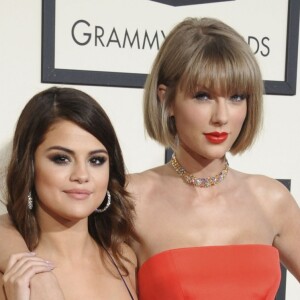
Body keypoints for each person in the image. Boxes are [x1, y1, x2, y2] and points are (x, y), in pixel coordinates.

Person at [0, 17, 300, 299]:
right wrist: (34, 273)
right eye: (203, 96)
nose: (222, 116)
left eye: (237, 97)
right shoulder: (129, 197)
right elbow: (18, 225)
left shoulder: (271, 199)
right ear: (165, 99)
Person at [0, 87, 137, 300]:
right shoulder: (13, 277)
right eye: (61, 159)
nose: (82, 175)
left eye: (96, 160)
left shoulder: (124, 260)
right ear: (30, 165)